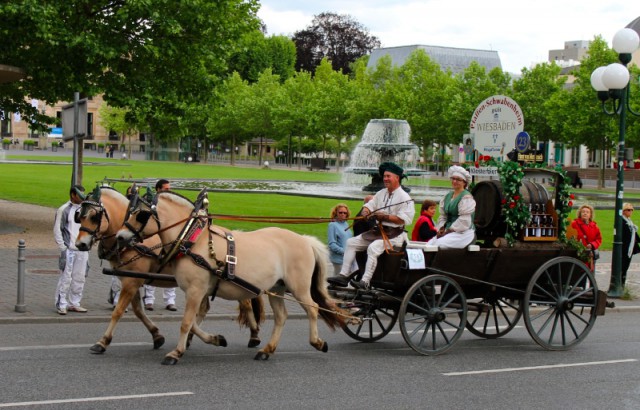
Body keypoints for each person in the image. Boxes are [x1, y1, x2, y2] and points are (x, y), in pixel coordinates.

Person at [328, 162, 415, 290]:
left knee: (373, 248)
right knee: (351, 242)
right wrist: (366, 211)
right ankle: (343, 276)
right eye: (384, 176)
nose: (385, 179)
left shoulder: (405, 198)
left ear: (397, 178)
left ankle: (365, 282)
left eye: (388, 176)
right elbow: (369, 205)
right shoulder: (381, 193)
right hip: (379, 232)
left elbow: (405, 220)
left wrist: (384, 217)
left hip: (395, 235)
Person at [53, 185, 90, 315]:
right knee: (66, 277)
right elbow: (58, 229)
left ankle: (74, 303)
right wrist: (62, 247)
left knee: (80, 277)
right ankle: (61, 303)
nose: (82, 198)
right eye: (80, 195)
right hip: (69, 249)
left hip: (82, 250)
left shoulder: (85, 209)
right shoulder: (63, 209)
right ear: (73, 195)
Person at [142, 179, 177, 311]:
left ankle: (170, 301)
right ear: (158, 189)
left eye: (169, 188)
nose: (169, 191)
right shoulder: (151, 202)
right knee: (153, 267)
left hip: (169, 238)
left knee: (171, 267)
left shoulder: (172, 203)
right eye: (166, 189)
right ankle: (149, 300)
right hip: (154, 238)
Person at [426, 165, 476, 249]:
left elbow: (464, 221)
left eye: (458, 179)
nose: (455, 181)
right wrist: (442, 228)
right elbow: (443, 216)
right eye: (453, 178)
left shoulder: (466, 198)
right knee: (429, 244)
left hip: (463, 234)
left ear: (464, 182)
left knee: (439, 245)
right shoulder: (447, 196)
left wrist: (448, 231)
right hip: (448, 232)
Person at [570, 204, 602, 271]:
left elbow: (599, 239)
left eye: (587, 212)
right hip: (578, 254)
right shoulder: (574, 224)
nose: (585, 213)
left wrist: (592, 245)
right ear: (580, 213)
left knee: (590, 273)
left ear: (590, 215)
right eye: (583, 212)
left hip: (589, 254)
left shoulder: (594, 226)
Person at [327, 203, 353, 276]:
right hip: (338, 258)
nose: (342, 214)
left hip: (348, 257)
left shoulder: (346, 224)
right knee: (339, 278)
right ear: (336, 213)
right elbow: (331, 244)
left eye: (345, 213)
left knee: (343, 279)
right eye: (340, 212)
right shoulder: (332, 225)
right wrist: (344, 252)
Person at [620, 203, 640, 289]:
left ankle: (622, 286)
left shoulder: (629, 222)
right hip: (624, 249)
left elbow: (635, 236)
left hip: (630, 249)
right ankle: (619, 286)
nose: (630, 211)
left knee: (625, 268)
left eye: (632, 210)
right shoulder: (622, 221)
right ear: (623, 211)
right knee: (622, 268)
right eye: (628, 210)